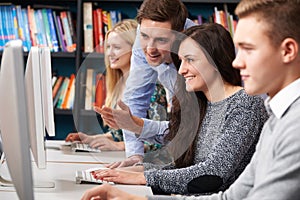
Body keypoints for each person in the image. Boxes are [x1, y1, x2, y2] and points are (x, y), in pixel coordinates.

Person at [81, 0, 300, 199]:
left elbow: (213, 175)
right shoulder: (273, 120)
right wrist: (139, 169)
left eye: (248, 49)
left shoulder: (259, 110)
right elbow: (231, 195)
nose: (237, 62)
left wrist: (143, 182)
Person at [106, 0, 196, 167]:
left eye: (161, 40)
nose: (150, 49)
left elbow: (197, 128)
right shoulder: (146, 37)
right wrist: (135, 155)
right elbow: (135, 101)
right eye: (144, 36)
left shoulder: (199, 51)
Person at [65, 19, 167, 151]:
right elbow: (121, 134)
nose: (109, 53)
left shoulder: (153, 87)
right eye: (108, 47)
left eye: (116, 47)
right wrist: (92, 139)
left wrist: (120, 146)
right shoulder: (119, 83)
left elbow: (162, 139)